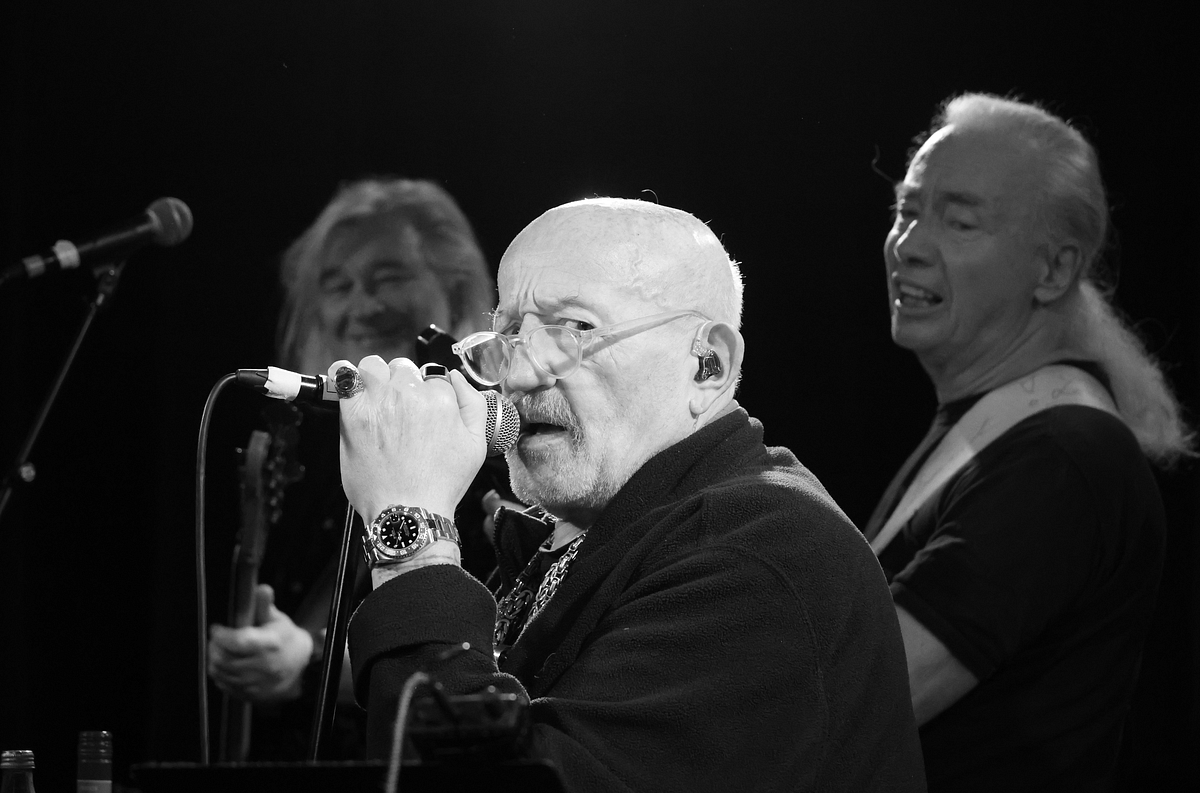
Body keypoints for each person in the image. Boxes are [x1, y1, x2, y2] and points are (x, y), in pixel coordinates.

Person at [329, 197, 926, 790]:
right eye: (509, 333)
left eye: (575, 329)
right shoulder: (583, 534)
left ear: (708, 364)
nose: (521, 374)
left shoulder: (763, 550)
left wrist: (413, 531)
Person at [864, 93, 1195, 790]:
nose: (909, 245)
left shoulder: (1063, 458)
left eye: (959, 222)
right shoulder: (1007, 425)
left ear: (1054, 272)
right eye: (907, 209)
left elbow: (856, 696)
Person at [207, 177, 498, 759]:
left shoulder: (489, 443)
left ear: (454, 289)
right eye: (337, 286)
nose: (361, 306)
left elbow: (481, 655)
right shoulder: (313, 444)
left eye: (388, 278)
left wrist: (309, 665)